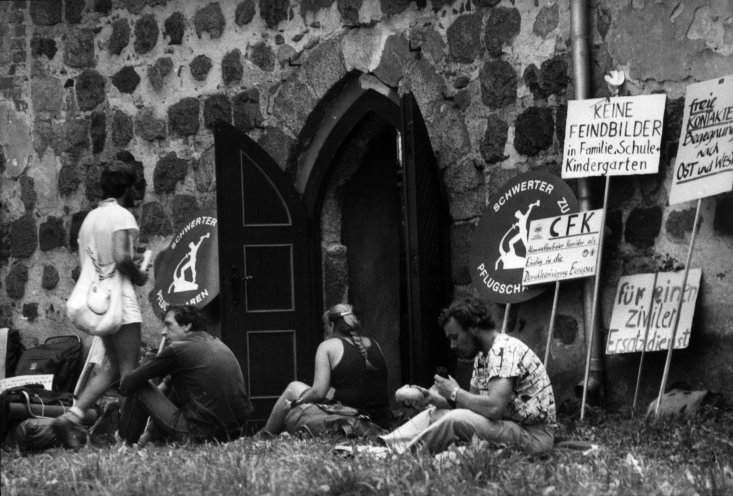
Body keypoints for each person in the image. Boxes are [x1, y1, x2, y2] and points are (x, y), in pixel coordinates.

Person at [380, 296, 556, 454]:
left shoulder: (504, 350)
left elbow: (494, 408)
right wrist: (433, 398)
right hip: (509, 427)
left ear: (474, 328)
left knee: (455, 419)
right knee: (436, 413)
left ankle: (402, 454)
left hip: (533, 437)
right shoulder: (482, 356)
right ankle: (386, 445)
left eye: (455, 337)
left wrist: (455, 392)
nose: (452, 345)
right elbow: (472, 406)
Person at [54, 161, 149, 450]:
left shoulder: (91, 219)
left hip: (99, 301)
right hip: (121, 302)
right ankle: (130, 438)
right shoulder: (121, 216)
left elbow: (92, 263)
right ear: (128, 188)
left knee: (111, 369)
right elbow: (121, 258)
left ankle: (72, 416)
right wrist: (140, 272)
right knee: (130, 372)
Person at [117, 305, 253, 445]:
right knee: (174, 387)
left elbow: (129, 382)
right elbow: (167, 387)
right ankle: (147, 439)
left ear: (187, 325)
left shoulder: (178, 349)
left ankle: (124, 442)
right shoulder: (213, 343)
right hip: (231, 435)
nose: (163, 332)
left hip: (199, 435)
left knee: (140, 388)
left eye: (168, 325)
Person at [260, 303, 390, 435]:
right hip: (379, 421)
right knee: (295, 388)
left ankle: (264, 435)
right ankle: (268, 434)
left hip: (349, 421)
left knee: (293, 391)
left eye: (325, 326)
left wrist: (295, 404)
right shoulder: (375, 344)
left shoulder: (327, 346)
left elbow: (318, 392)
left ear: (332, 326)